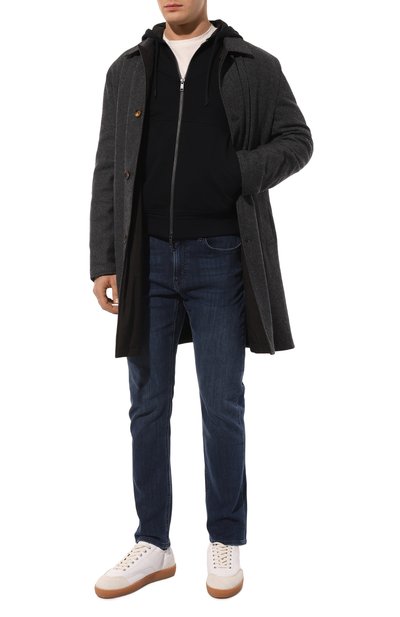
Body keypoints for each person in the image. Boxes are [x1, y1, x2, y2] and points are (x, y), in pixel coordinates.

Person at [90, 0, 313, 600]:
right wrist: (104, 259)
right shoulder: (128, 68)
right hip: (145, 260)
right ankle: (153, 543)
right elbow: (109, 164)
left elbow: (298, 140)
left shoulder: (252, 65)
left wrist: (238, 171)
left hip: (221, 256)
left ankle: (225, 538)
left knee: (222, 404)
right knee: (146, 406)